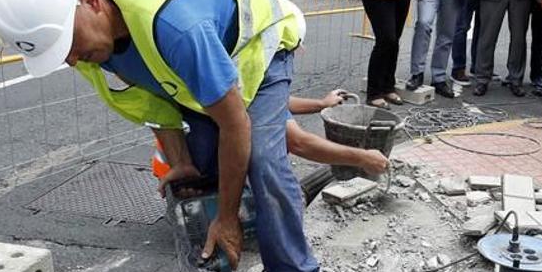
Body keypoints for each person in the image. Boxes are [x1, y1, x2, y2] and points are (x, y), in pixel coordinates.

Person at [0, 0, 326, 272]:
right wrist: (180, 159)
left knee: (264, 160)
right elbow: (154, 98)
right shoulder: (96, 38)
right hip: (202, 64)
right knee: (196, 173)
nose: (74, 60)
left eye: (71, 44)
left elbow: (234, 124)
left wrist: (227, 216)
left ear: (90, 1)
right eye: (63, 54)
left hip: (257, 50)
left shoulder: (176, 26)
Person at [152, 90, 390, 181]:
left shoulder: (233, 65)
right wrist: (363, 158)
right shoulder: (244, 82)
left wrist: (320, 103)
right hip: (190, 173)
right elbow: (299, 143)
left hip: (174, 163)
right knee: (285, 190)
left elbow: (276, 100)